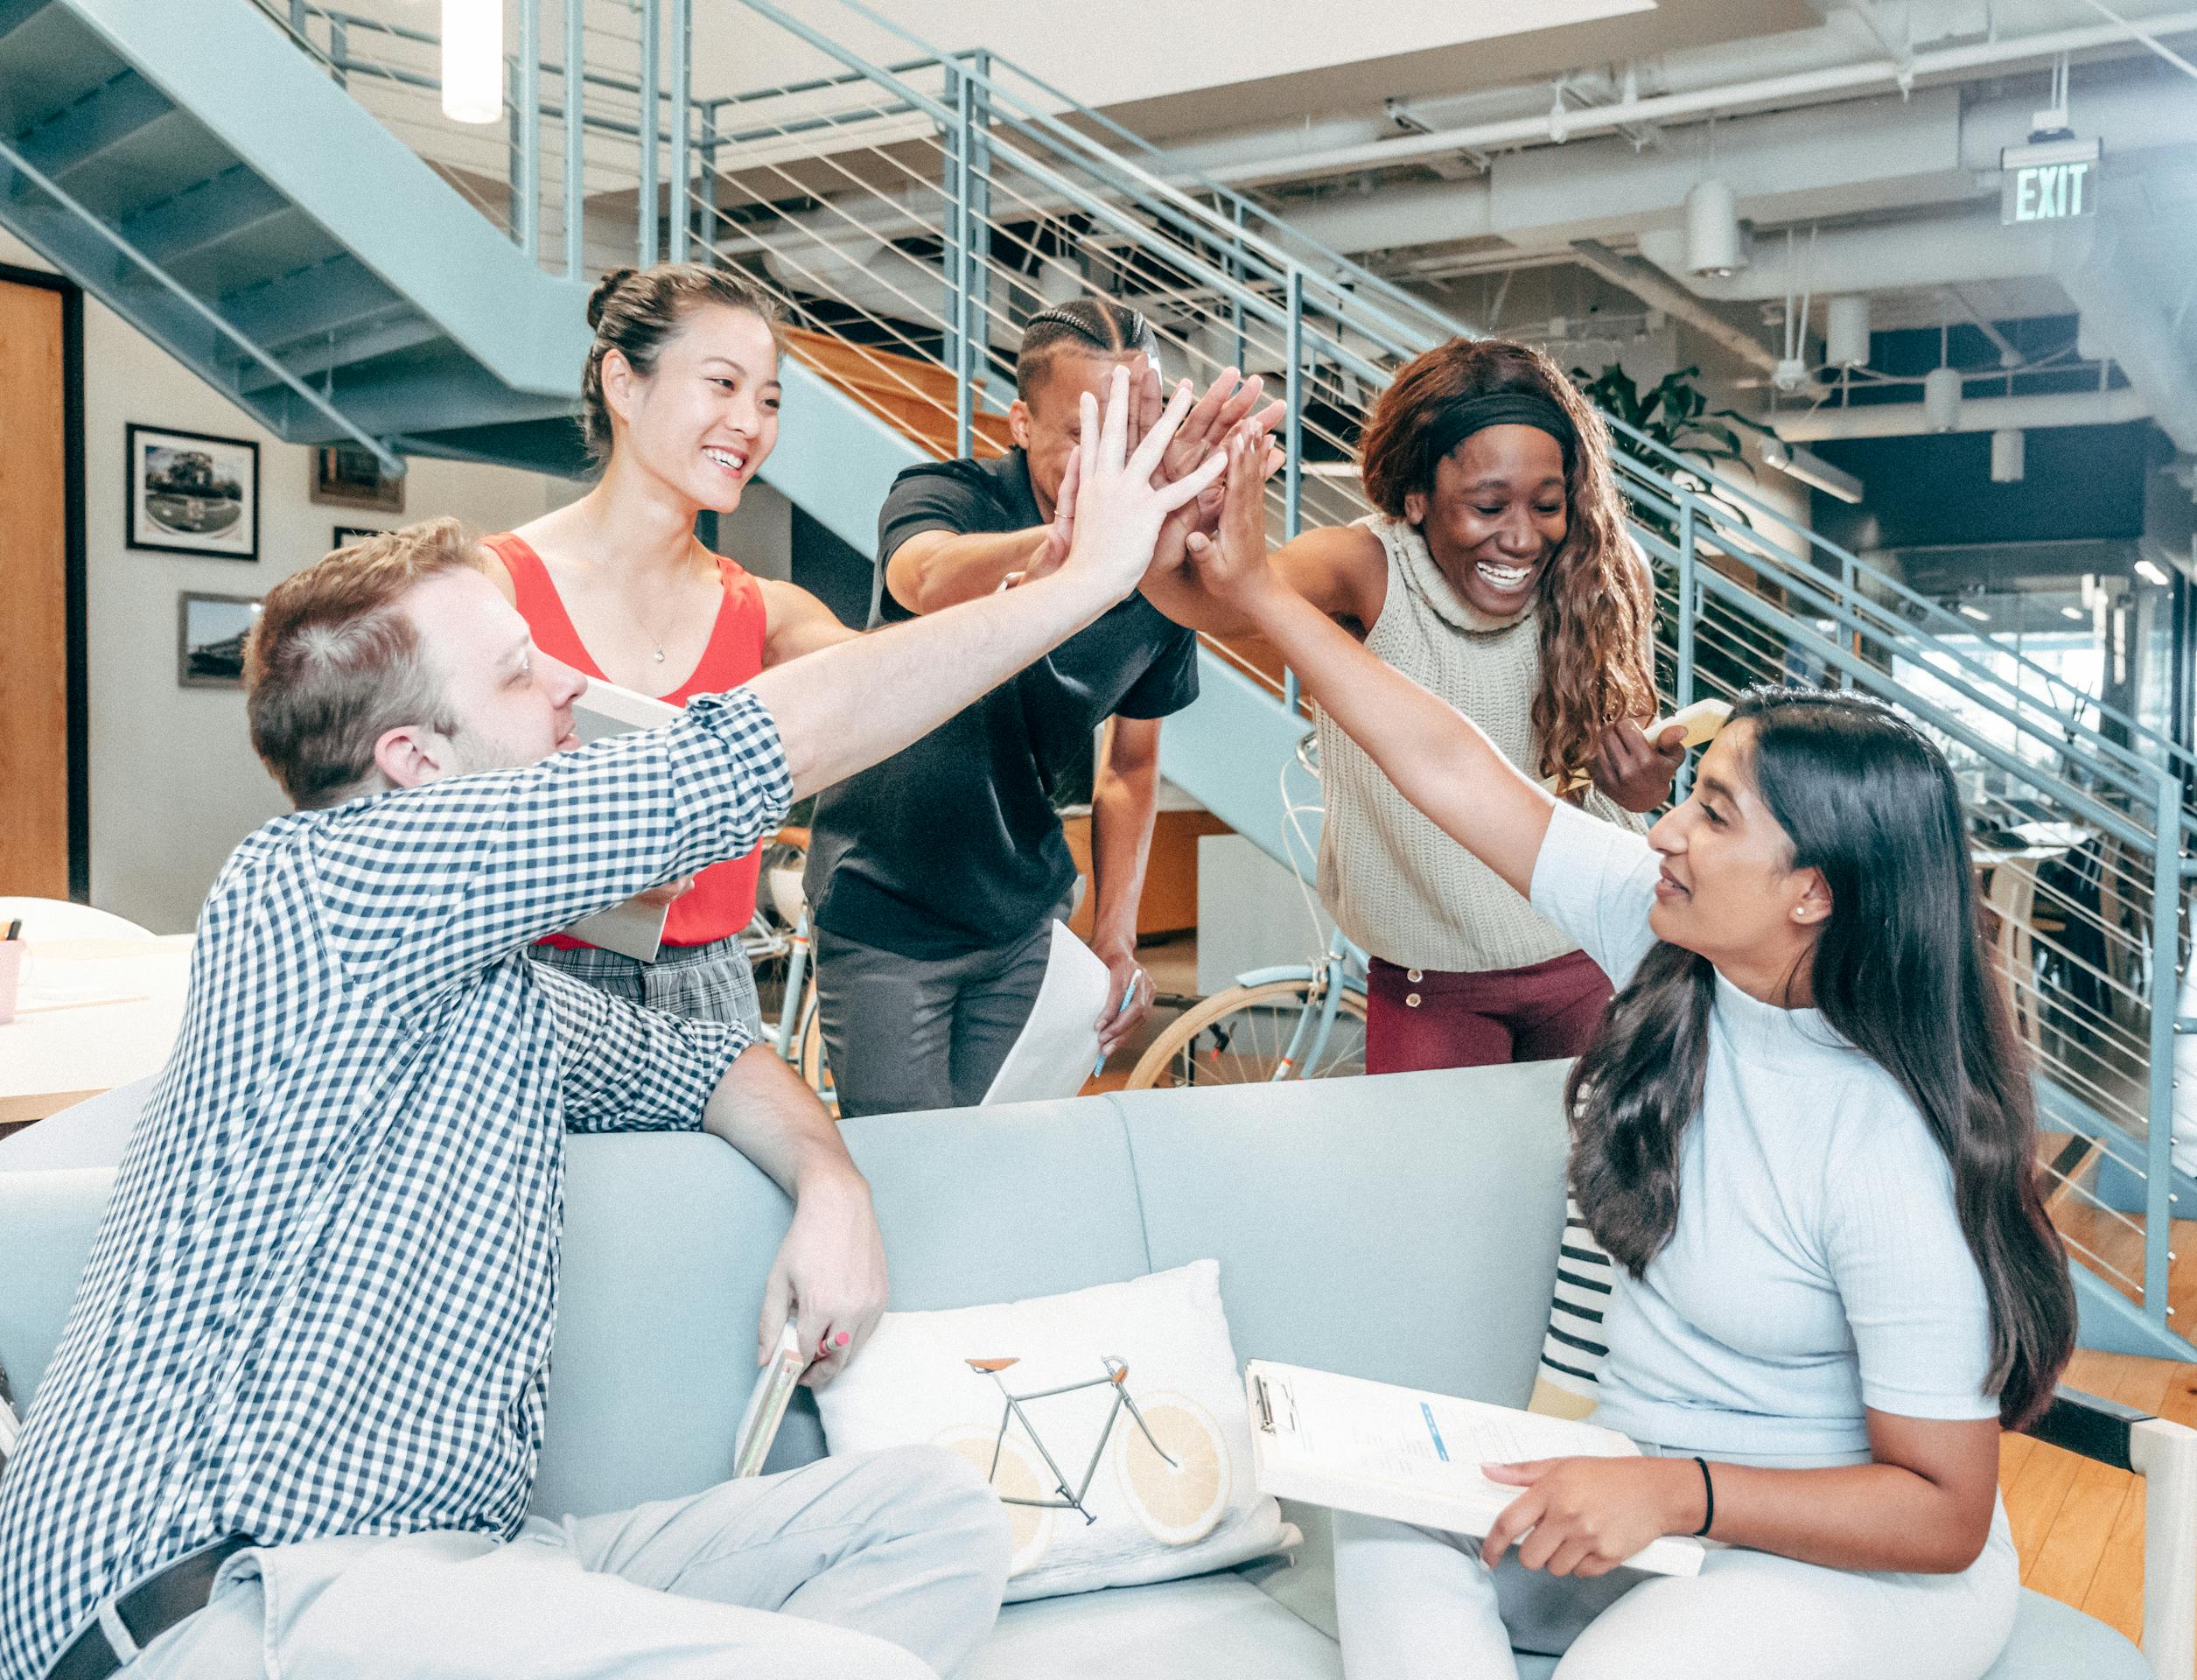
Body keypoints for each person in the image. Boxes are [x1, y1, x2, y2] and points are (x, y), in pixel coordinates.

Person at [0, 372, 1227, 1680]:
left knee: (933, 1523)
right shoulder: (318, 880)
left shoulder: (493, 988)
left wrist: (832, 1180)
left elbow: (711, 1056)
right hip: (230, 1595)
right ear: (416, 766)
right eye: (525, 675)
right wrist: (1084, 581)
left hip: (465, 1569)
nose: (572, 698)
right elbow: (733, 764)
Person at [1183, 424, 2077, 1679]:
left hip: (1843, 1560)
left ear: (1813, 892)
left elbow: (1943, 1510)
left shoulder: (1888, 1142)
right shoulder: (1674, 945)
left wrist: (1679, 1493)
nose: (1663, 830)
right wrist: (1257, 592)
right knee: (1383, 1524)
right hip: (1650, 1499)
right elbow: (1447, 760)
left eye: (1710, 811)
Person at [1143, 339, 1683, 1075]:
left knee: (1587, 1187)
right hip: (1433, 977)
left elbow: (1630, 784)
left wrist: (1646, 789)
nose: (1523, 537)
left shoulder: (1603, 574)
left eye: (1547, 505)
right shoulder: (1365, 566)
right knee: (1428, 1189)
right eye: (1488, 505)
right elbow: (1213, 601)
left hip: (1593, 954)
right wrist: (1164, 521)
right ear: (1417, 496)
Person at [803, 299, 1274, 1115]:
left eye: (1137, 432)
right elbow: (922, 575)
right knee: (911, 1174)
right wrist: (1065, 556)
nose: (1117, 463)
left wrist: (1117, 935)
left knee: (1004, 1167)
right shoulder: (949, 493)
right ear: (1020, 422)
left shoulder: (1160, 572)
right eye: (1085, 437)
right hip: (887, 909)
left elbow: (1131, 767)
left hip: (1023, 920)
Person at [482, 263, 860, 1025]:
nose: (751, 423)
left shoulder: (767, 613)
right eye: (722, 384)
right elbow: (419, 807)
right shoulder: (495, 590)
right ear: (622, 384)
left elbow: (903, 681)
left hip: (713, 991)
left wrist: (1052, 593)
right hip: (531, 982)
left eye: (769, 400)